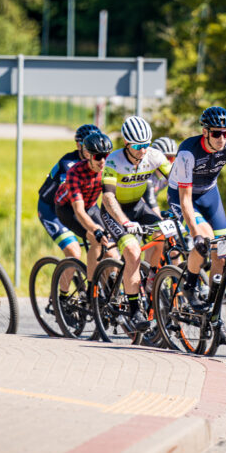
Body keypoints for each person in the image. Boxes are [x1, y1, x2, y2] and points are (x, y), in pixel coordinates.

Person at [167, 106, 226, 309]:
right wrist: (195, 234)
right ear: (205, 132)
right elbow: (185, 200)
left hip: (209, 193)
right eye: (217, 134)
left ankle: (212, 307)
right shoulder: (188, 152)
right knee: (205, 239)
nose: (222, 138)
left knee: (221, 251)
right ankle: (190, 285)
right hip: (182, 195)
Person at [100, 116, 172, 331]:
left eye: (146, 144)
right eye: (138, 146)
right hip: (115, 211)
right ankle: (134, 311)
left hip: (138, 206)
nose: (143, 150)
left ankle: (150, 280)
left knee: (164, 235)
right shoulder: (113, 161)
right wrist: (124, 221)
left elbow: (177, 181)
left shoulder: (154, 156)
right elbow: (108, 197)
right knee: (132, 251)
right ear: (126, 143)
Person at [54, 132, 115, 289]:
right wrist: (95, 229)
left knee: (112, 250)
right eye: (98, 157)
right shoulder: (75, 172)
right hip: (68, 209)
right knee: (95, 238)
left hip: (91, 206)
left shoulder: (108, 169)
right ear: (88, 155)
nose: (103, 161)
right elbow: (79, 211)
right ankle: (91, 289)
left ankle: (105, 292)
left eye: (106, 156)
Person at [38, 124, 100, 258]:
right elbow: (72, 196)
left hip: (84, 204)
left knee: (107, 243)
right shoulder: (68, 164)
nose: (93, 151)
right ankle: (66, 272)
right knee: (74, 251)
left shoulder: (100, 161)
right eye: (88, 146)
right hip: (52, 209)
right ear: (79, 145)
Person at [145, 137, 178, 212]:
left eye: (171, 158)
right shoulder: (147, 173)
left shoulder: (169, 174)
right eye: (165, 158)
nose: (168, 162)